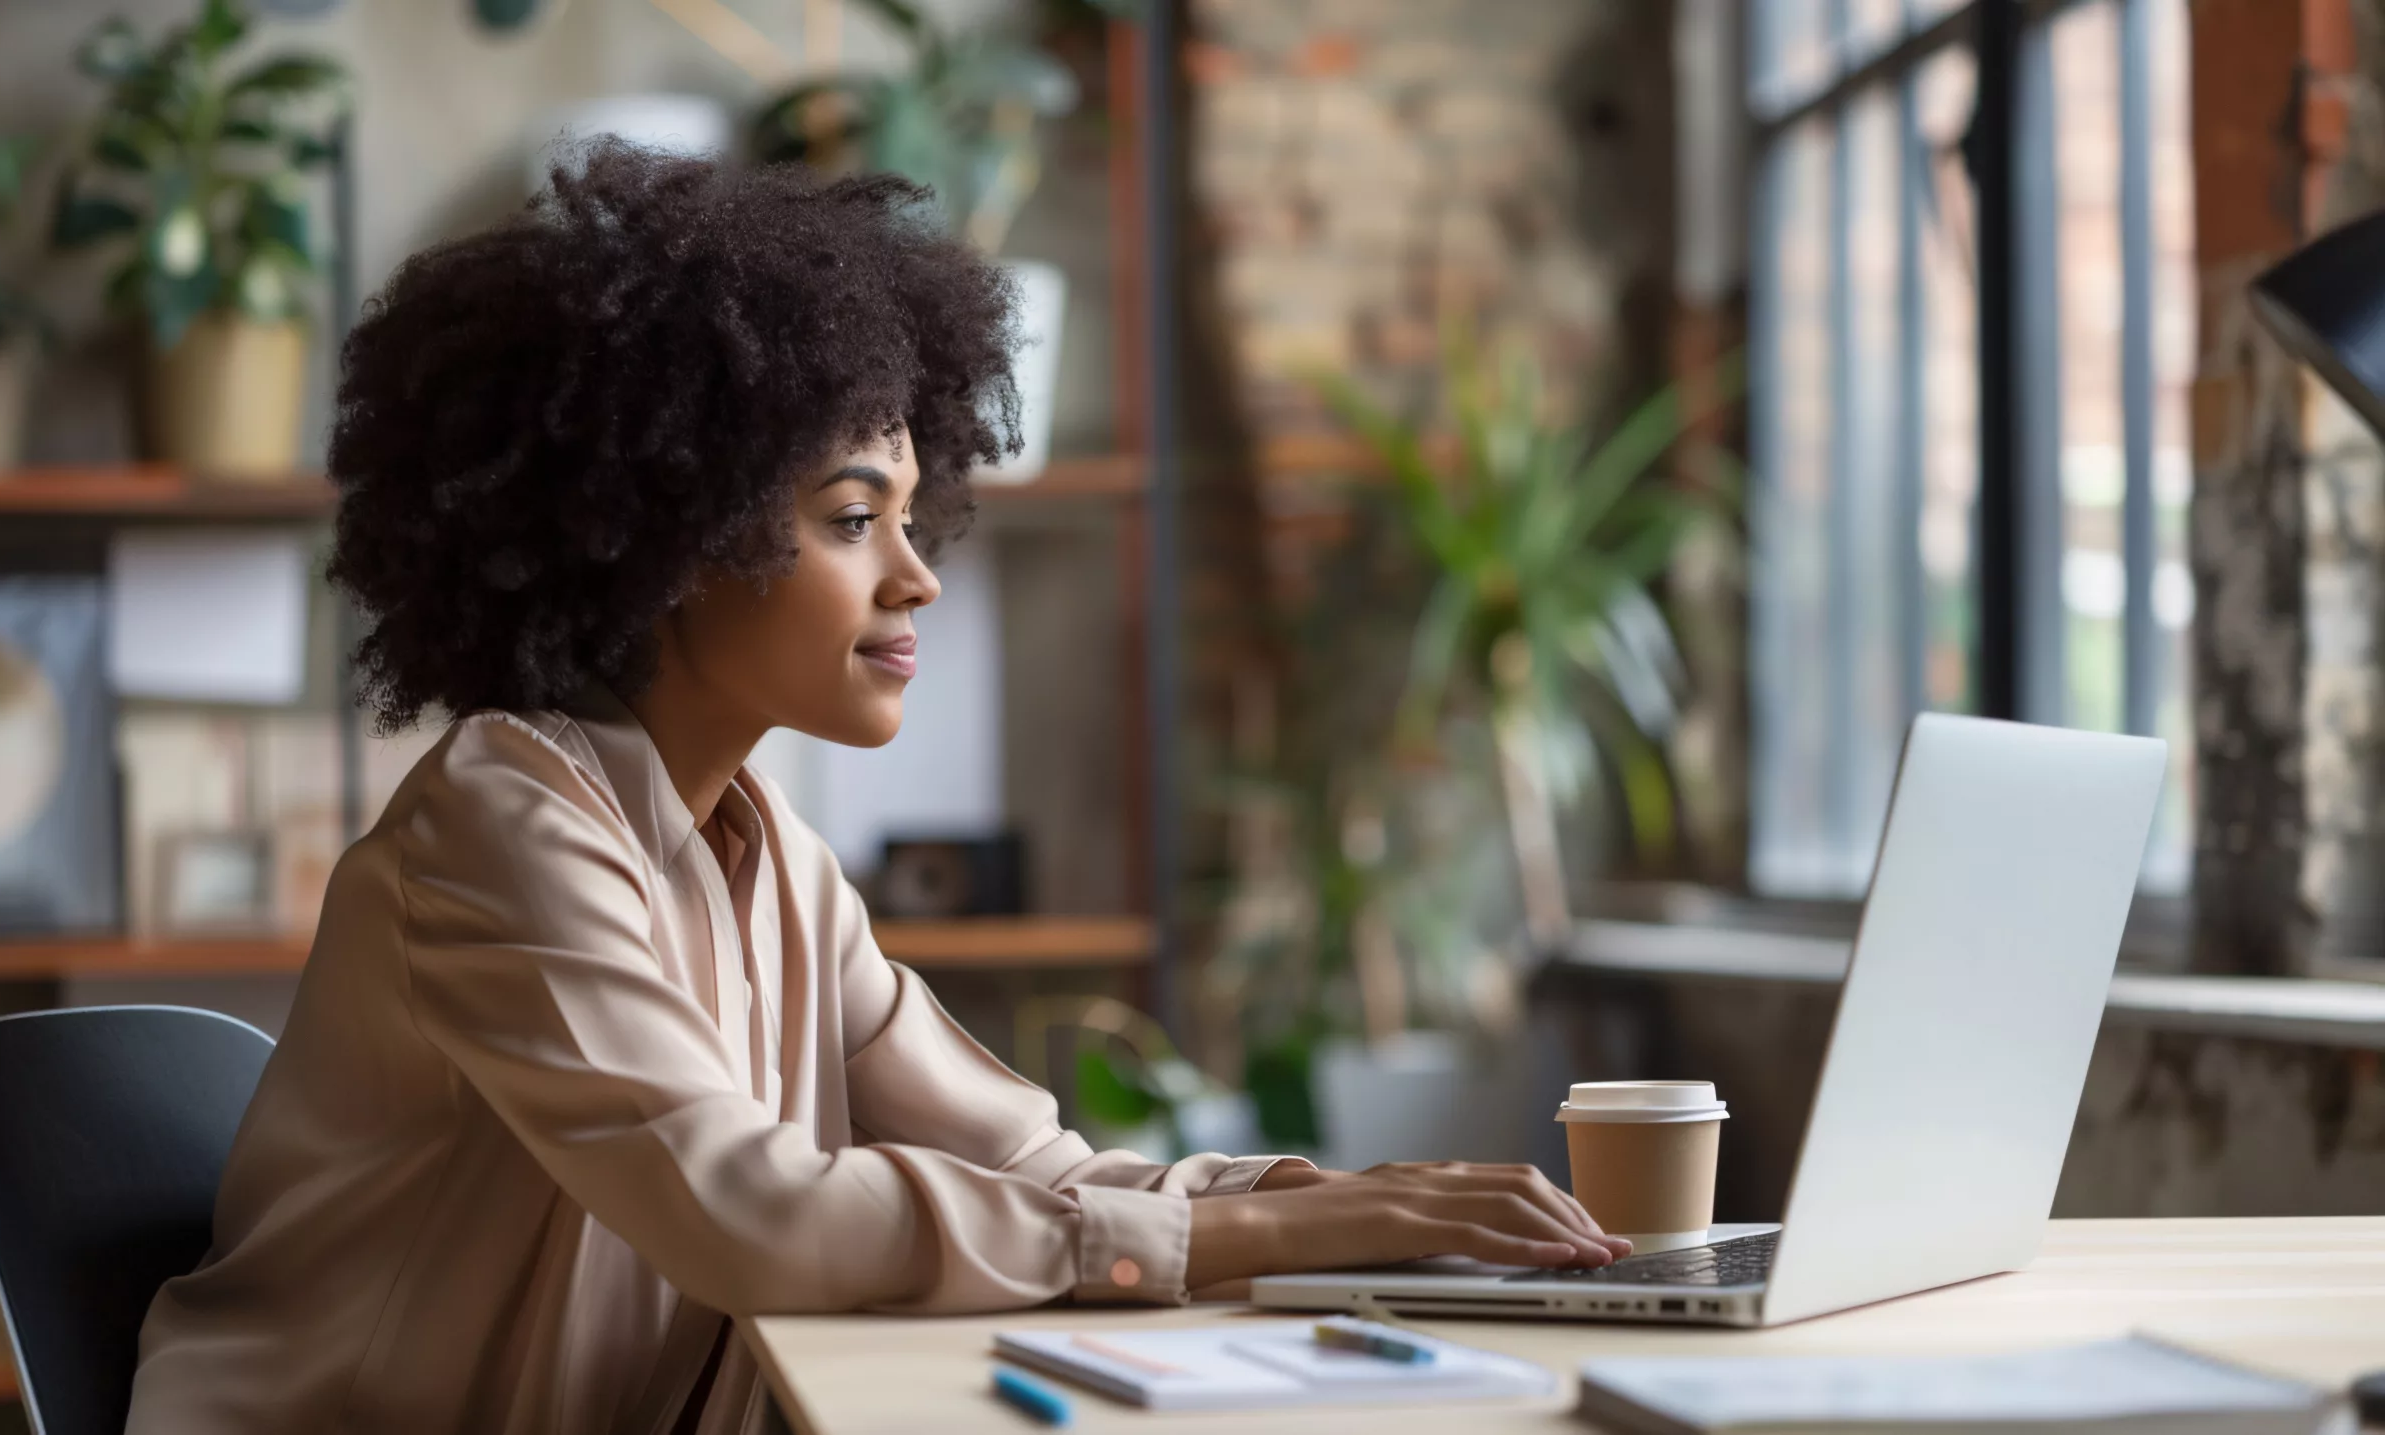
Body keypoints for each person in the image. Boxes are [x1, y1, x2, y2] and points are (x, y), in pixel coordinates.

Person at [122, 144, 1629, 1435]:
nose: (917, 576)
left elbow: (1040, 1168)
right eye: (855, 517)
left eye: (915, 515)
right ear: (666, 539)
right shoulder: (498, 820)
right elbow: (756, 1209)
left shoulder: (774, 862)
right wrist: (1288, 1228)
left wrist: (1341, 1199)